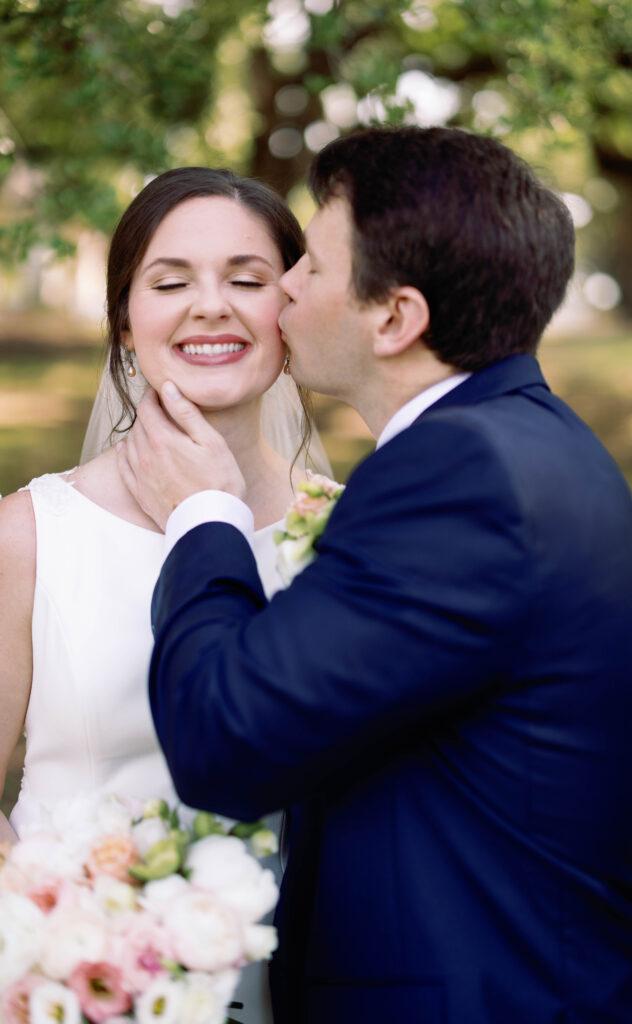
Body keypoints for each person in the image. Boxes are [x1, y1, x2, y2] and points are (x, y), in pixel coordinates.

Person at [119, 127, 632, 1023]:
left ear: (394, 316)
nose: (285, 287)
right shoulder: (527, 443)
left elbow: (227, 738)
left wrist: (204, 514)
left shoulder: (459, 478)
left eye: (310, 266)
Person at [0, 166, 330, 1024]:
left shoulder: (345, 538)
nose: (210, 305)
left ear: (290, 313)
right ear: (123, 320)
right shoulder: (28, 532)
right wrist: (58, 949)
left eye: (248, 281)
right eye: (171, 281)